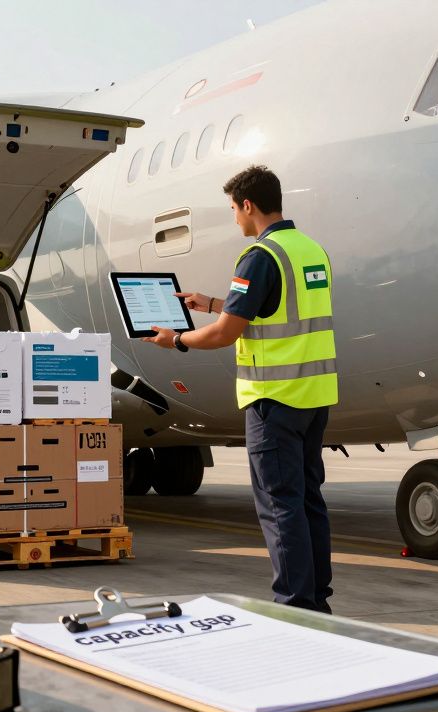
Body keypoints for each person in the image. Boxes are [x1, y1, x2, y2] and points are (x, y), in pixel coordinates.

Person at [142, 165, 339, 613]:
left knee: (278, 505)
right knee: (309, 500)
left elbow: (225, 334)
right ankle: (317, 600)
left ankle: (294, 605)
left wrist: (176, 340)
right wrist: (211, 303)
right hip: (314, 397)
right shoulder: (311, 250)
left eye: (233, 209)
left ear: (248, 205)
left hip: (273, 400)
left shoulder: (259, 256)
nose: (234, 218)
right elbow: (276, 309)